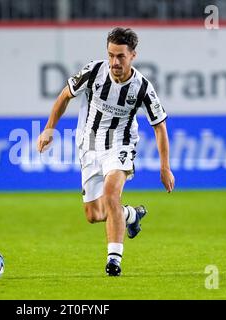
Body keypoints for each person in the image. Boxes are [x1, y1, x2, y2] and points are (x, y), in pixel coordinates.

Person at [36, 27, 175, 276]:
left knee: (111, 194)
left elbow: (160, 127)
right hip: (88, 146)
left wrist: (164, 167)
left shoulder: (142, 87)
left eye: (120, 56)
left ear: (133, 55)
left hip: (120, 147)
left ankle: (114, 261)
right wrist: (48, 129)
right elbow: (65, 96)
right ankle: (131, 215)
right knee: (94, 214)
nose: (114, 62)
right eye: (111, 55)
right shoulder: (93, 72)